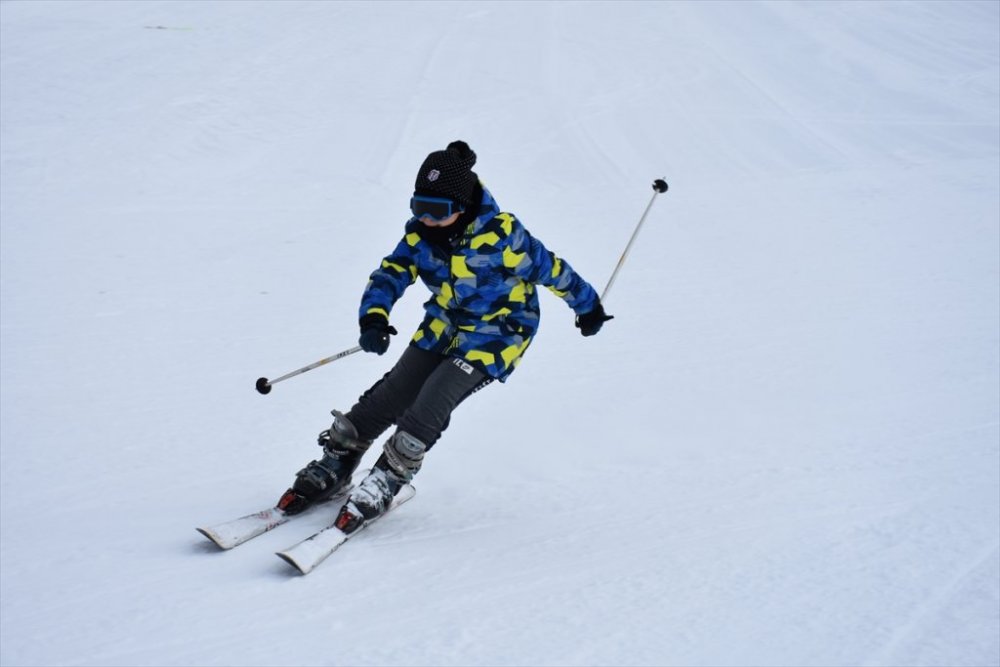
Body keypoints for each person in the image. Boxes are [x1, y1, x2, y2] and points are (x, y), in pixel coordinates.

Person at [276, 140, 612, 534]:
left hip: (497, 335)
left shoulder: (504, 236)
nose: (427, 219)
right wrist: (374, 318)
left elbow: (554, 270)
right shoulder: (420, 237)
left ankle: (389, 475)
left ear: (463, 205)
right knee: (393, 392)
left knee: (435, 395)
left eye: (437, 211)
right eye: (419, 208)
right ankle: (339, 459)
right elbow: (391, 273)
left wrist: (587, 306)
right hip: (444, 326)